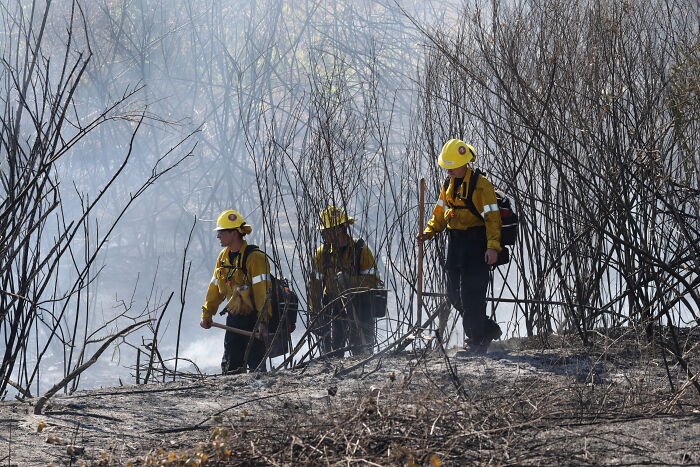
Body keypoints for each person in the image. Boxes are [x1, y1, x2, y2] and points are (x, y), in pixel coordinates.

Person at [416, 139, 502, 354]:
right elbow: (439, 213)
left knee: (472, 294)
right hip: (455, 244)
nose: (448, 170)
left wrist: (492, 247)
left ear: (464, 163)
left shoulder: (481, 185)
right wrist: (429, 231)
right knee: (455, 295)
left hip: (477, 244)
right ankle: (487, 329)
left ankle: (476, 340)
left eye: (451, 166)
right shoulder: (448, 185)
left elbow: (493, 218)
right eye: (446, 166)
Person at [200, 210, 271, 373]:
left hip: (254, 320)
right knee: (231, 368)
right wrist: (207, 313)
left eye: (221, 232)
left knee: (257, 369)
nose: (218, 236)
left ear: (234, 233)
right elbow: (215, 288)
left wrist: (263, 320)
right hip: (234, 319)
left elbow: (263, 293)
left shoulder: (255, 258)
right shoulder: (223, 257)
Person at [307, 205, 381, 356]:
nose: (323, 234)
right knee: (332, 353)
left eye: (326, 231)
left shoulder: (360, 250)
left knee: (362, 352)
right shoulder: (321, 254)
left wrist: (350, 282)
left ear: (339, 229)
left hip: (361, 305)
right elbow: (314, 287)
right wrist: (314, 314)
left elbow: (373, 281)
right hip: (333, 307)